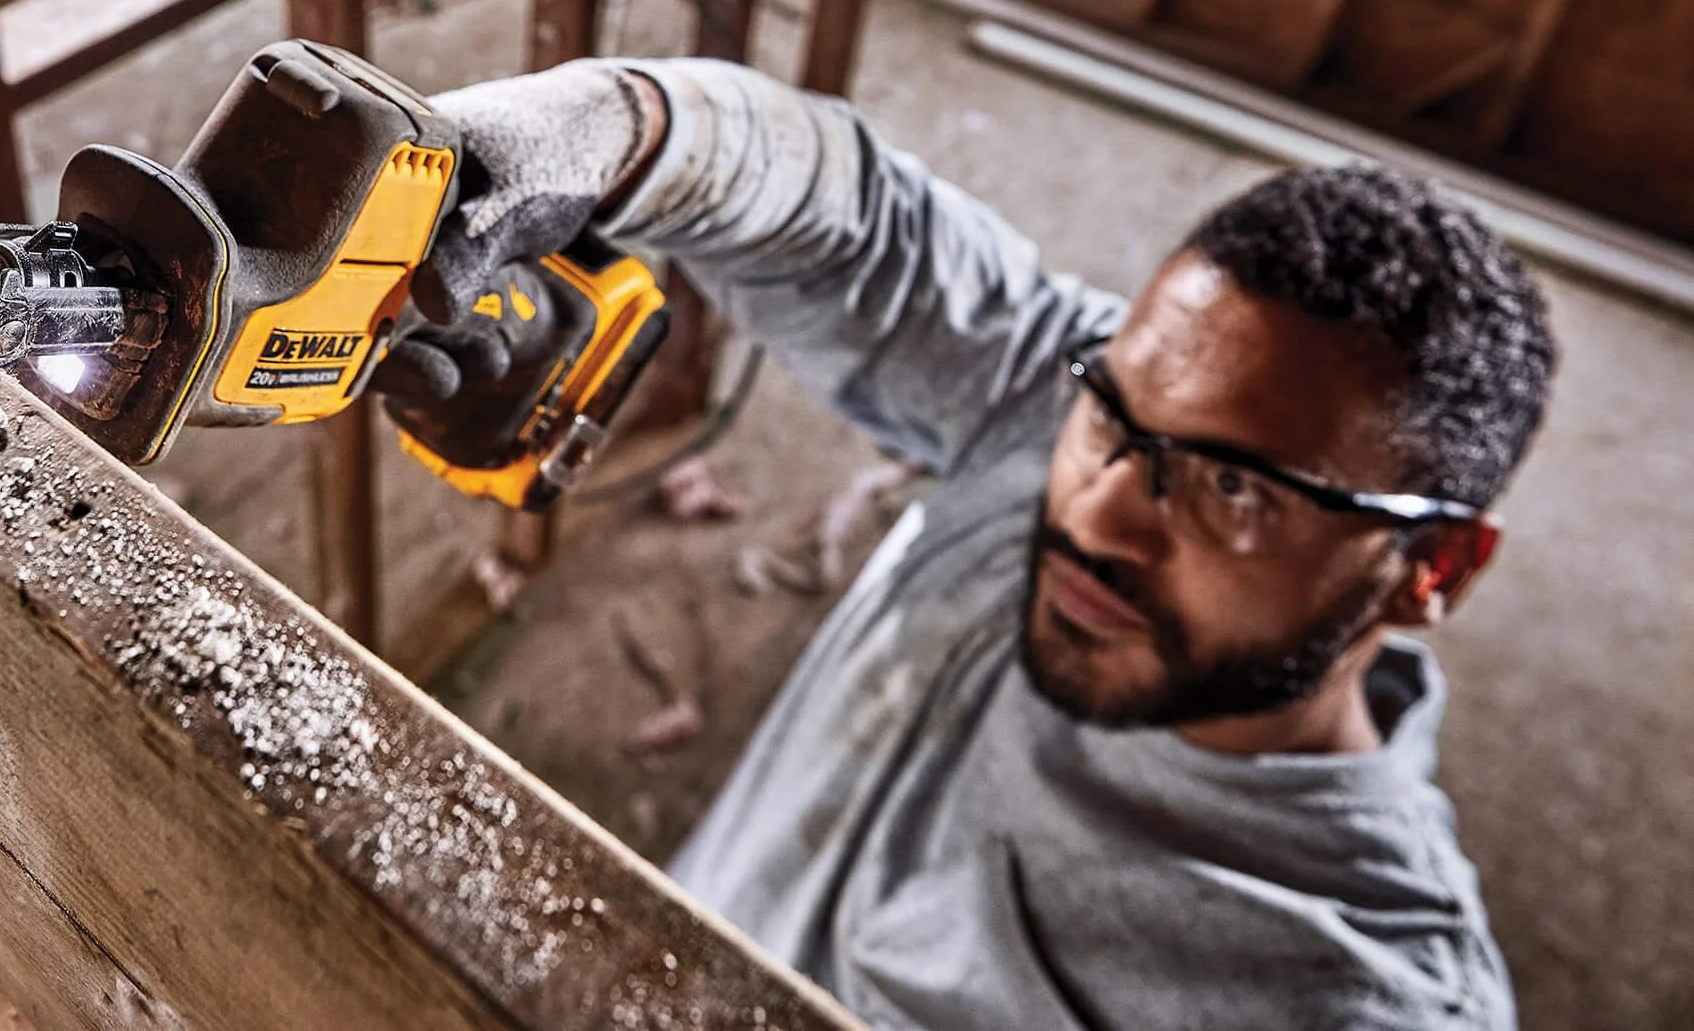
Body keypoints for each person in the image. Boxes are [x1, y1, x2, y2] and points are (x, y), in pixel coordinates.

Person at [375, 57, 1553, 1031]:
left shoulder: (1359, 999)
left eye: (1233, 489)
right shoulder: (1053, 419)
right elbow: (854, 226)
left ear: (1432, 567)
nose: (1094, 512)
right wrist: (592, 132)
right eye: (1109, 407)